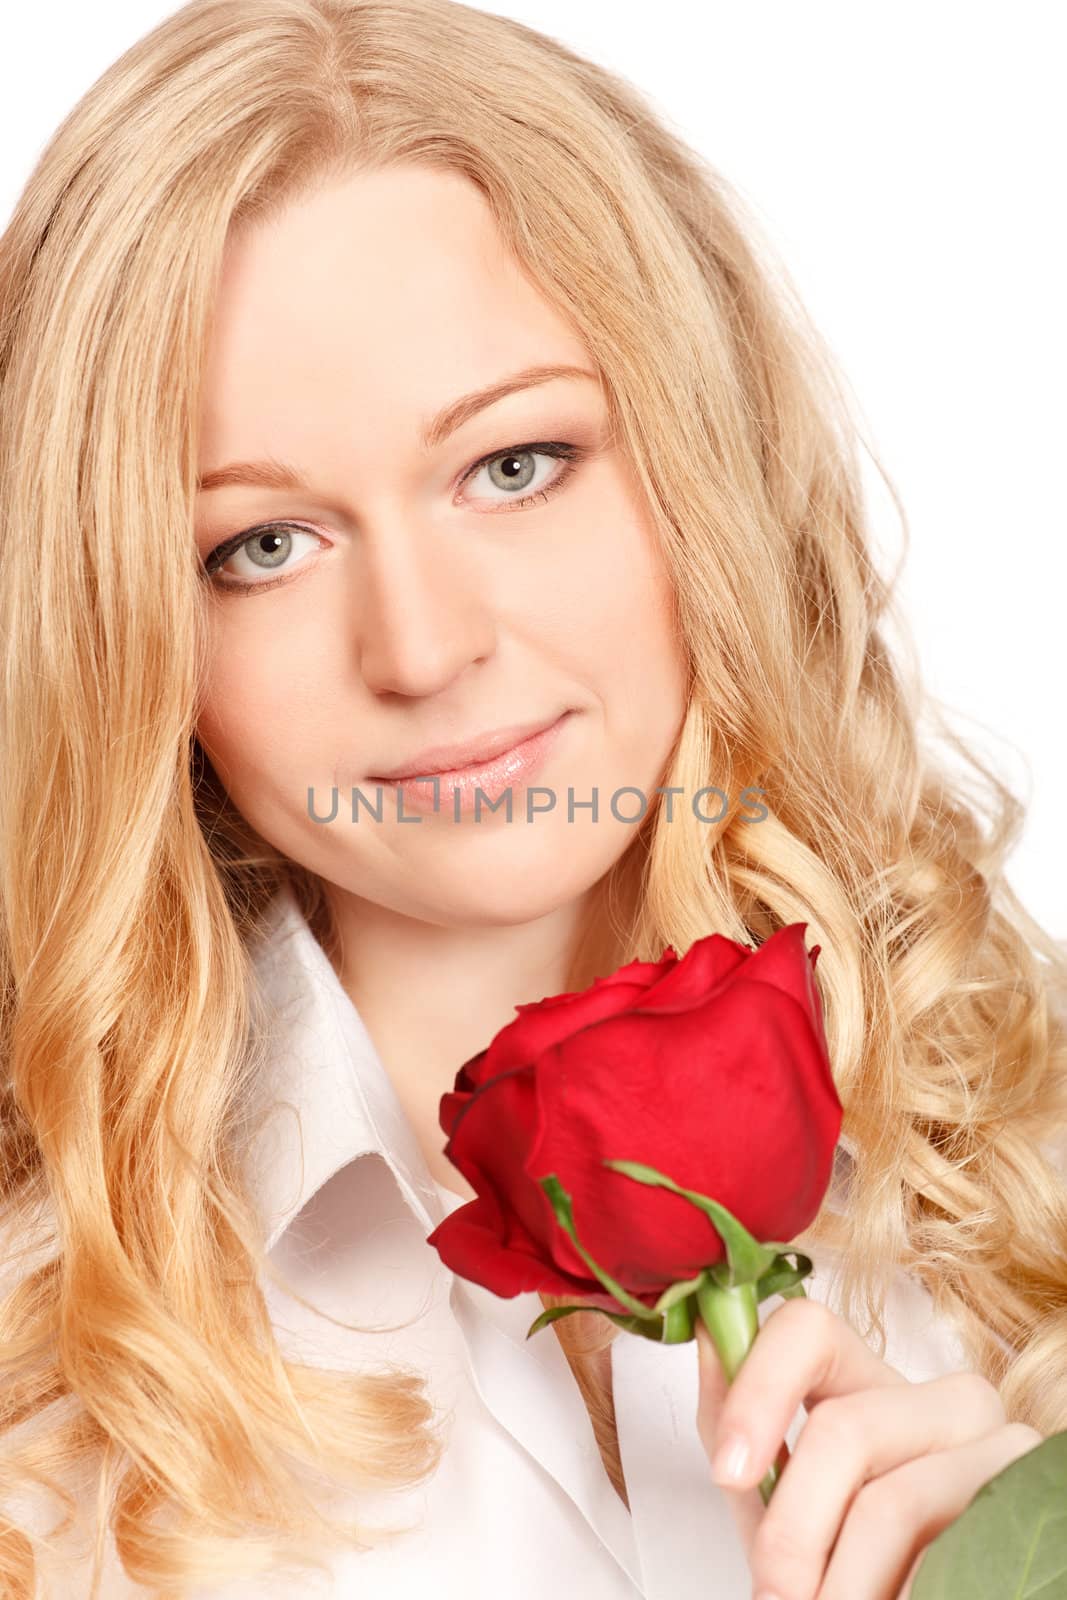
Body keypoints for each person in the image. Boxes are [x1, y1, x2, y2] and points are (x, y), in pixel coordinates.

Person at [1, 0, 1065, 1595]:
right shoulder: (42, 1403)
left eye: (515, 465)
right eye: (260, 546)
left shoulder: (1021, 1169)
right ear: (129, 636)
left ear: (710, 463)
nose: (425, 648)